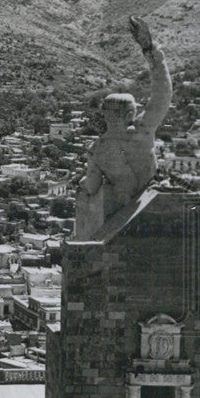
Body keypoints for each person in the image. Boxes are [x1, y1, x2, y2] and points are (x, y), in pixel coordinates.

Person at [74, 16, 172, 239]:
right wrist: (150, 49)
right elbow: (162, 94)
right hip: (147, 198)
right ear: (130, 114)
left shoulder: (98, 149)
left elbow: (90, 186)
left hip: (118, 215)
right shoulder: (143, 130)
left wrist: (82, 183)